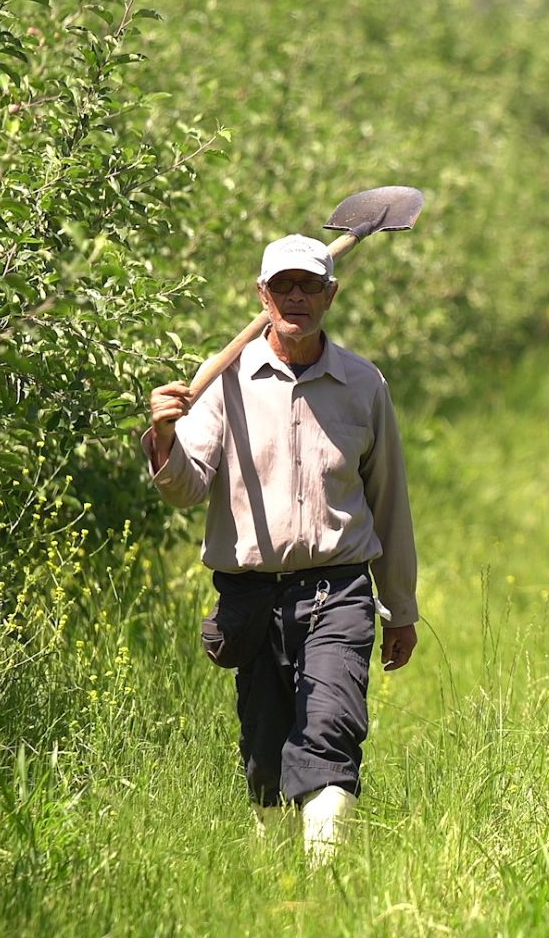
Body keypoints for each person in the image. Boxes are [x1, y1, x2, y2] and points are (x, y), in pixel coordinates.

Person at [143, 233, 418, 862]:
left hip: (339, 590)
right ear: (262, 295)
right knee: (265, 754)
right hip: (250, 597)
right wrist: (163, 436)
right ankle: (274, 878)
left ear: (331, 294)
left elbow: (390, 502)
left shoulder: (362, 384)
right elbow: (187, 490)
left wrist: (399, 607)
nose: (297, 296)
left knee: (330, 733)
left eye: (310, 285)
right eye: (284, 286)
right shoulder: (224, 384)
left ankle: (325, 889)